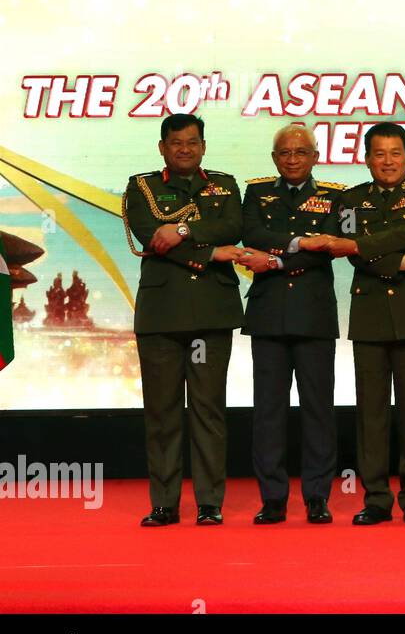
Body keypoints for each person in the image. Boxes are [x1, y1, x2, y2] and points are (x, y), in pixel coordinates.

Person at [300, 122, 405, 525]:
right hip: (370, 314)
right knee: (371, 413)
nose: (388, 161)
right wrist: (403, 259)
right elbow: (353, 255)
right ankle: (376, 497)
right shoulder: (349, 201)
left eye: (396, 153)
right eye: (379, 153)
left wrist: (363, 243)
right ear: (366, 159)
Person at [124, 113, 245, 527]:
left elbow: (232, 225)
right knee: (163, 411)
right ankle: (165, 503)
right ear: (162, 147)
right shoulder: (141, 187)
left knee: (208, 410)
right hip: (162, 316)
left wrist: (181, 230)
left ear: (203, 146)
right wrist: (208, 250)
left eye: (192, 142)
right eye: (176, 143)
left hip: (212, 312)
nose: (184, 149)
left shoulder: (224, 185)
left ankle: (210, 503)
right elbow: (149, 237)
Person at [238, 124, 344, 525]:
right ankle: (273, 498)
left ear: (316, 156)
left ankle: (317, 497)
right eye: (285, 153)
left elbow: (331, 246)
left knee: (319, 410)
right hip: (268, 314)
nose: (293, 159)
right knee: (268, 411)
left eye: (302, 152)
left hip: (314, 315)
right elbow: (254, 233)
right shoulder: (257, 193)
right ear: (274, 158)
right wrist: (301, 242)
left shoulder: (334, 196)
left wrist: (278, 259)